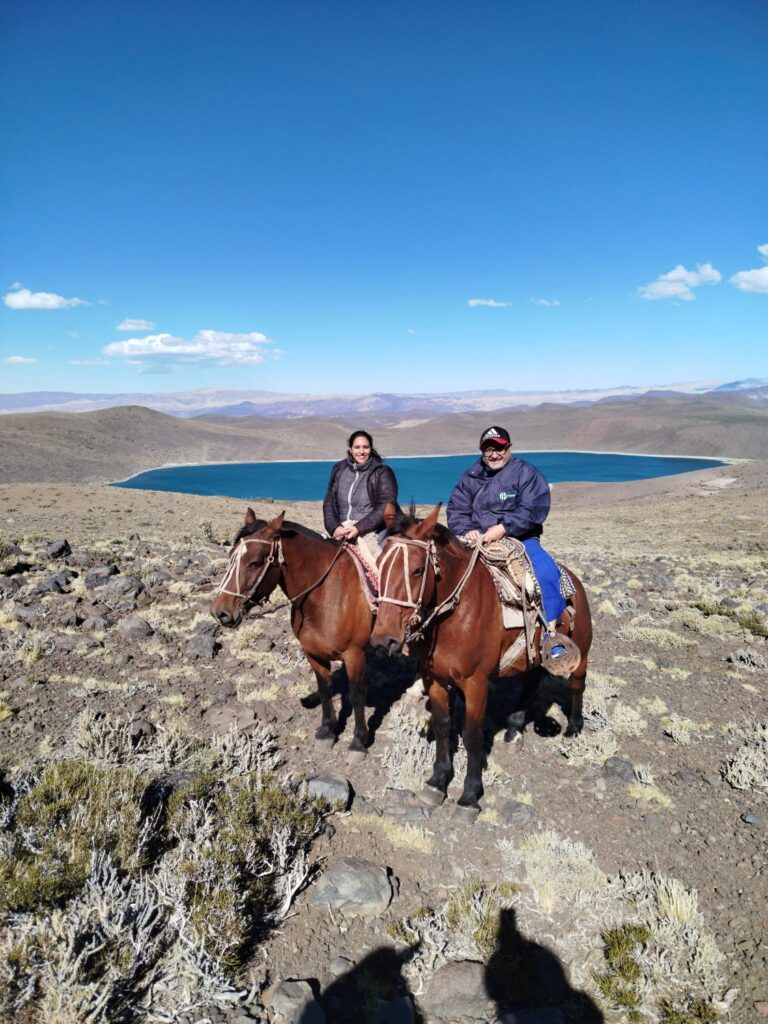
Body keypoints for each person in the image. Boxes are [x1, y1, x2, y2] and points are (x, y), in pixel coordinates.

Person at [446, 425, 568, 653]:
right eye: (488, 449)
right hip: (477, 539)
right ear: (482, 451)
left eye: (499, 448)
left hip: (520, 539)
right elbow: (456, 509)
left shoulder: (525, 473)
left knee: (545, 571)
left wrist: (503, 528)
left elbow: (533, 508)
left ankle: (551, 636)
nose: (494, 454)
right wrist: (468, 529)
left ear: (509, 448)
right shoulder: (470, 476)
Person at [323, 429, 399, 571]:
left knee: (382, 568)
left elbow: (386, 504)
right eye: (357, 447)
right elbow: (329, 501)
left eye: (366, 447)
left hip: (373, 531)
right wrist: (334, 528)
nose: (361, 451)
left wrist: (358, 528)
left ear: (371, 448)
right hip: (342, 530)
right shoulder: (339, 469)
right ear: (350, 449)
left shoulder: (381, 472)